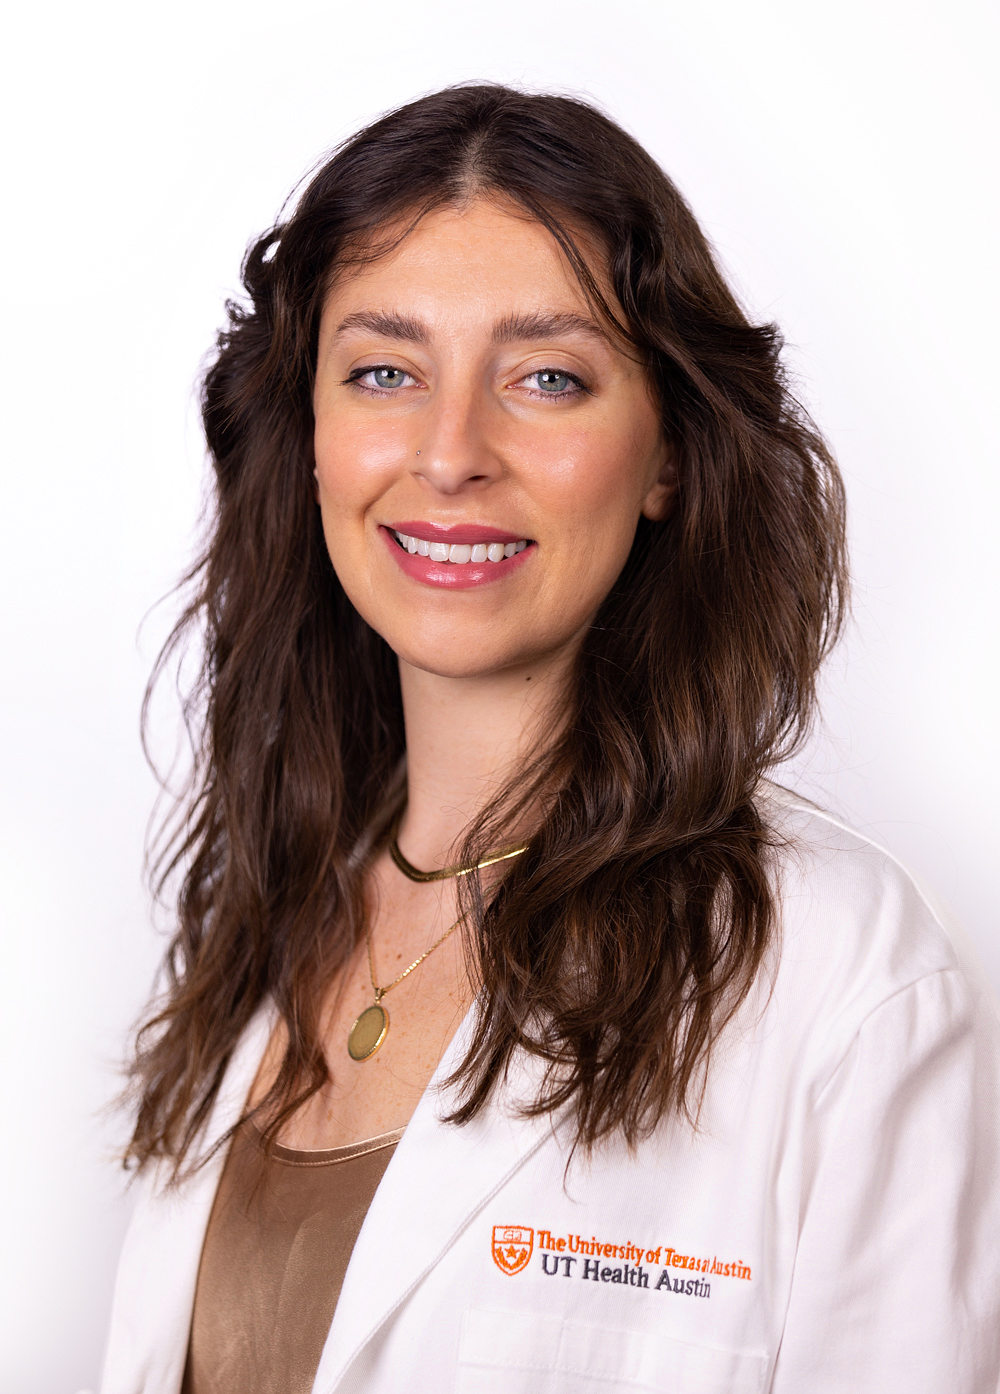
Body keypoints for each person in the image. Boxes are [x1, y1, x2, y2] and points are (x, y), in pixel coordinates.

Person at [100, 85, 1000, 1394]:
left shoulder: (844, 974)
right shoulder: (262, 917)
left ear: (668, 459)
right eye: (385, 371)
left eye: (546, 377)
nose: (451, 452)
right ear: (310, 438)